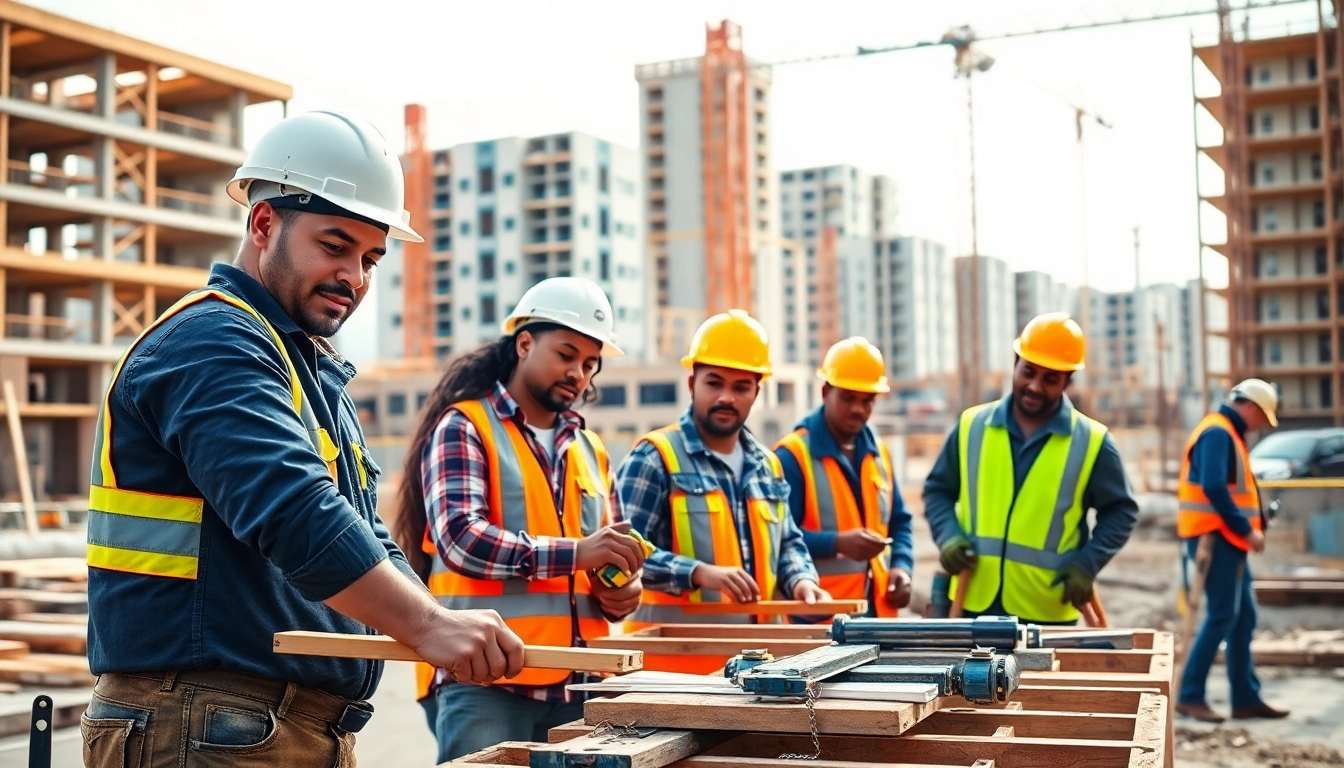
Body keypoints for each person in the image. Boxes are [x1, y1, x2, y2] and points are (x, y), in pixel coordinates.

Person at [83, 111, 522, 767]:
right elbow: (295, 511)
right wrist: (429, 625)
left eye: (371, 258)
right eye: (335, 245)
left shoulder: (302, 368)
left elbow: (360, 530)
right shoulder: (211, 343)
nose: (355, 275)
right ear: (264, 224)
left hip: (266, 724)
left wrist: (435, 617)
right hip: (203, 719)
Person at [393, 277, 647, 762]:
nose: (578, 373)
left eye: (589, 364)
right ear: (525, 343)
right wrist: (580, 552)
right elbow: (461, 539)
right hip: (487, 679)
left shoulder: (591, 450)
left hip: (583, 686)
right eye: (566, 354)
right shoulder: (464, 426)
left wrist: (621, 594)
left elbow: (608, 567)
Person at [617, 310, 829, 673]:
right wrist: (697, 572)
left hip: (761, 669)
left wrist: (803, 581)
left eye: (740, 387)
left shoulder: (768, 464)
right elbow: (622, 558)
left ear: (757, 392)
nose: (726, 397)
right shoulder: (655, 458)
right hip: (674, 673)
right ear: (692, 384)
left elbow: (788, 544)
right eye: (714, 383)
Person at [923, 312, 1138, 625]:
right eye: (1028, 372)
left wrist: (1086, 565)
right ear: (1015, 362)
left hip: (1046, 611)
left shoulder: (1092, 442)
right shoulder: (971, 427)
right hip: (972, 604)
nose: (1035, 386)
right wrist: (949, 537)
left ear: (1067, 380)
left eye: (1050, 378)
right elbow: (937, 491)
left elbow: (1121, 511)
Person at [1175, 378, 1289, 723]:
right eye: (1263, 419)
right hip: (1217, 538)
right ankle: (1190, 695)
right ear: (1252, 408)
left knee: (1243, 618)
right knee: (1224, 615)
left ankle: (1245, 698)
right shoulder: (1218, 432)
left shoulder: (1227, 434)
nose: (1261, 427)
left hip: (1227, 540)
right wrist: (1246, 530)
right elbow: (1212, 486)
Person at [775, 337, 914, 619]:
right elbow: (777, 540)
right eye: (848, 397)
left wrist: (901, 566)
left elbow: (899, 522)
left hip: (878, 619)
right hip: (820, 623)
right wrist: (836, 543)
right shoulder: (792, 457)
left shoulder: (878, 454)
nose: (858, 409)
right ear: (826, 391)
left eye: (867, 400)